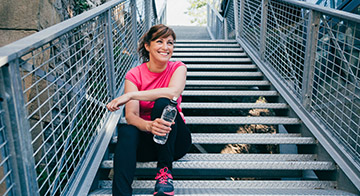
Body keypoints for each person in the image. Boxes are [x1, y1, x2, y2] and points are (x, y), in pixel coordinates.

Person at [106, 24, 192, 196]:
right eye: (159, 41)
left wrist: (132, 95)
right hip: (147, 142)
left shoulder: (178, 68)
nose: (166, 47)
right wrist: (149, 126)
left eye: (170, 43)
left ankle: (164, 173)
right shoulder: (134, 74)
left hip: (175, 141)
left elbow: (174, 92)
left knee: (163, 103)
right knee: (127, 130)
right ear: (148, 45)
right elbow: (131, 116)